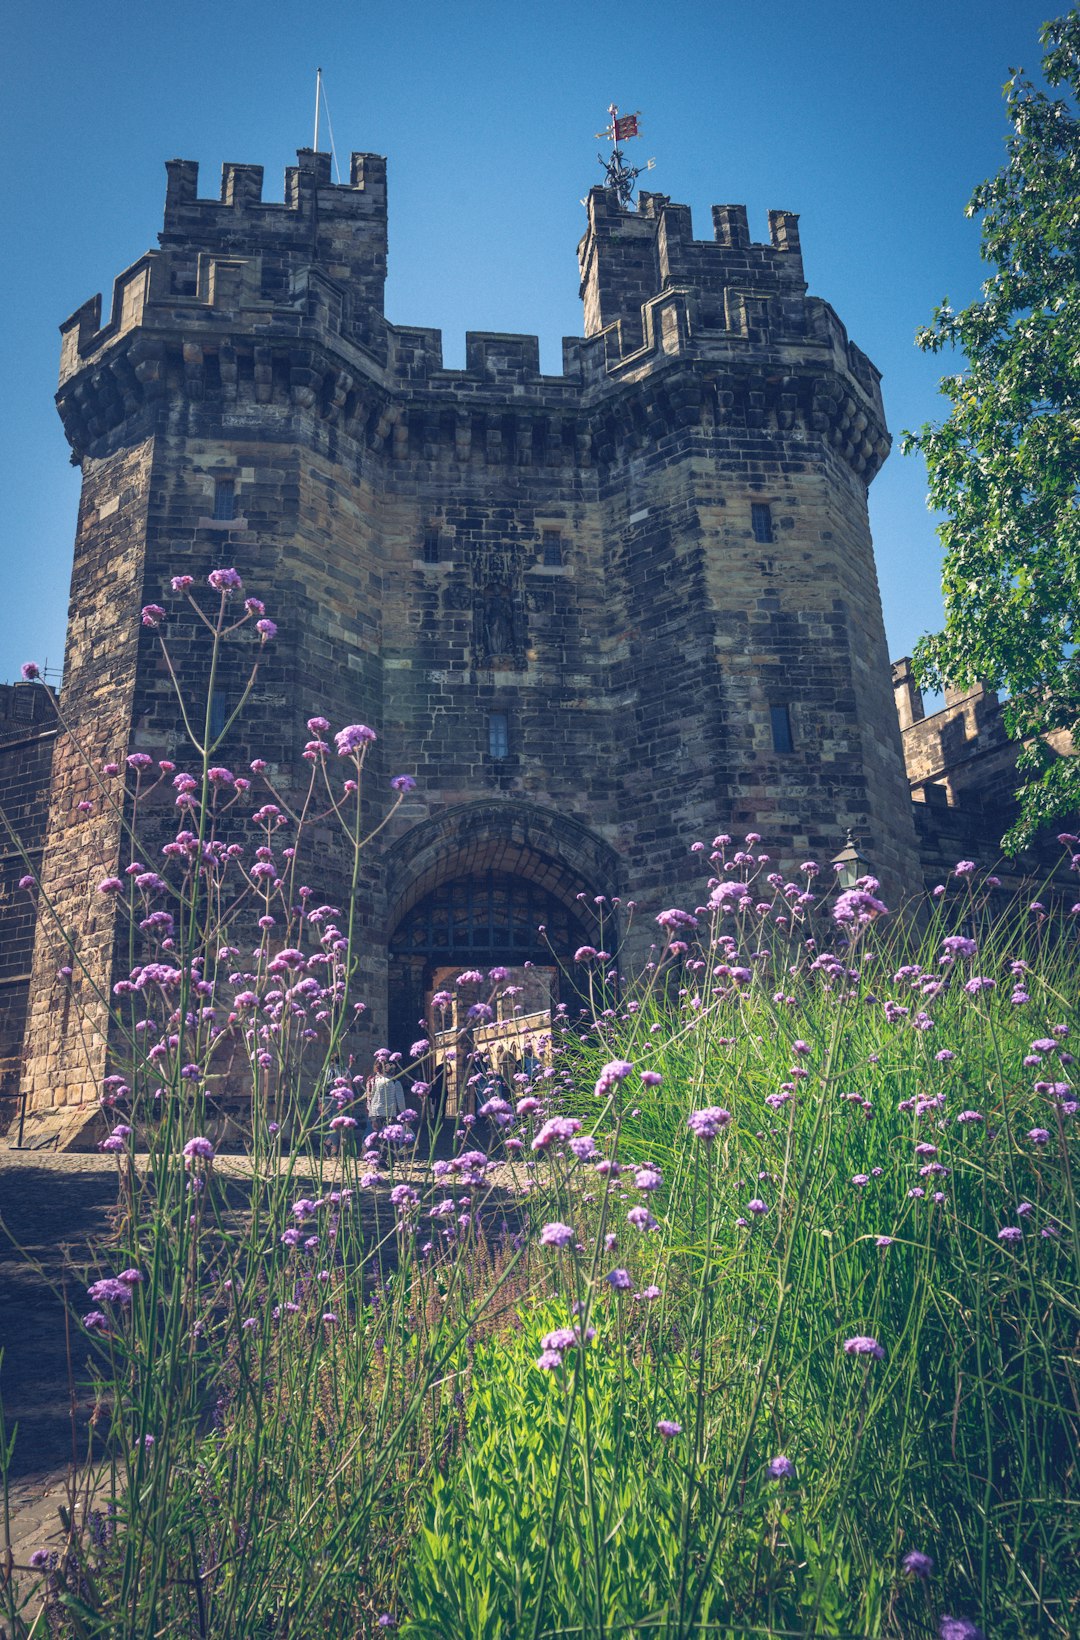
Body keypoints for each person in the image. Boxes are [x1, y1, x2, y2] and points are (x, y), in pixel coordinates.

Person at [366, 1057, 406, 1147]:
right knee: (390, 1138)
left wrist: (371, 1116)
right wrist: (404, 1116)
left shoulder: (371, 1081)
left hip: (376, 1113)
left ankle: (380, 1156)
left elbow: (369, 1099)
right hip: (390, 1113)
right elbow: (400, 1101)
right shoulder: (395, 1082)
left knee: (380, 1136)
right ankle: (387, 1157)